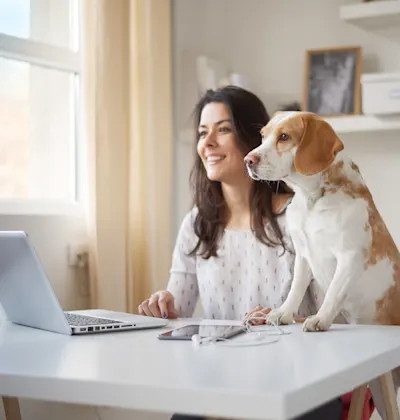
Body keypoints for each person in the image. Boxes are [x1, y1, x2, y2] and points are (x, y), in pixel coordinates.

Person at [138, 86, 344, 420]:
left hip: (300, 384)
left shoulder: (299, 217)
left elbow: (336, 321)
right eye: (203, 133)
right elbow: (180, 310)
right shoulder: (197, 223)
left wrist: (283, 319)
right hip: (221, 383)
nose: (208, 143)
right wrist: (163, 304)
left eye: (223, 130)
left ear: (253, 139)